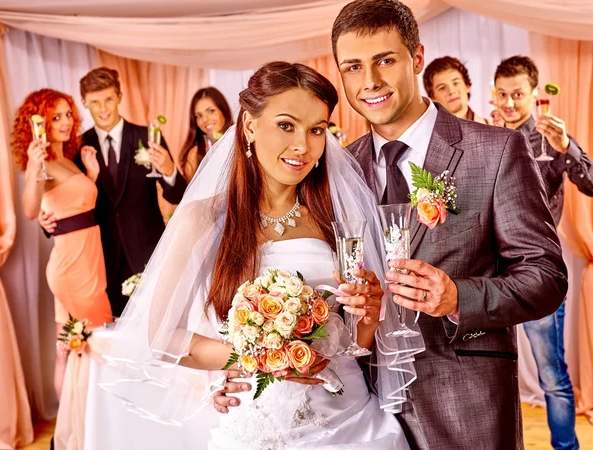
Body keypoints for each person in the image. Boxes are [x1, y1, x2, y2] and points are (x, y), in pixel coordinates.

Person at [217, 2, 568, 449]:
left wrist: (459, 297)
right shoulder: (330, 171)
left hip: (464, 401)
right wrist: (251, 363)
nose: (370, 81)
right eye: (353, 66)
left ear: (416, 58)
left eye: (385, 60)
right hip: (356, 410)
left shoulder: (495, 151)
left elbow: (546, 276)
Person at [100, 61, 424, 449]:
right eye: (286, 125)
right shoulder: (203, 218)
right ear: (250, 125)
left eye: (316, 129)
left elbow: (355, 342)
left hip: (350, 419)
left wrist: (369, 312)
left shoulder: (338, 217)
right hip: (258, 421)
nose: (303, 145)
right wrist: (260, 358)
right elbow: (159, 336)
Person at [493, 55, 592, 450]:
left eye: (517, 94)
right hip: (492, 275)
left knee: (551, 372)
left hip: (538, 271)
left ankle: (566, 447)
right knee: (495, 372)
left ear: (535, 95)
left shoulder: (550, 138)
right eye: (502, 94)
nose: (509, 103)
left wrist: (567, 145)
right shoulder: (485, 137)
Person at [39, 68, 188, 316]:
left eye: (108, 99)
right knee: (110, 341)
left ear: (119, 96)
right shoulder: (75, 147)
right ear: (85, 103)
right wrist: (45, 223)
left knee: (155, 334)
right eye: (95, 102)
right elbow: (62, 200)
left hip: (148, 256)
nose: (103, 108)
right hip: (99, 261)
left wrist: (170, 170)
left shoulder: (148, 136)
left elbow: (177, 197)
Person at [11, 89, 112, 399]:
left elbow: (73, 206)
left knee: (67, 350)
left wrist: (91, 176)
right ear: (38, 124)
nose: (66, 122)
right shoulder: (41, 164)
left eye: (68, 114)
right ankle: (77, 430)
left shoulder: (68, 160)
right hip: (72, 270)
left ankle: (69, 435)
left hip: (89, 264)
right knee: (86, 347)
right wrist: (32, 166)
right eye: (56, 117)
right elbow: (30, 210)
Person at [180, 87, 233, 182]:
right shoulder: (195, 155)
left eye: (211, 111)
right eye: (199, 116)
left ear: (224, 111)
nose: (204, 119)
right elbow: (190, 194)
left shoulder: (243, 143)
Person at [423, 56, 489, 124]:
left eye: (456, 83)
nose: (451, 91)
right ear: (432, 98)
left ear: (467, 85)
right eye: (442, 88)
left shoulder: (492, 127)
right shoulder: (427, 132)